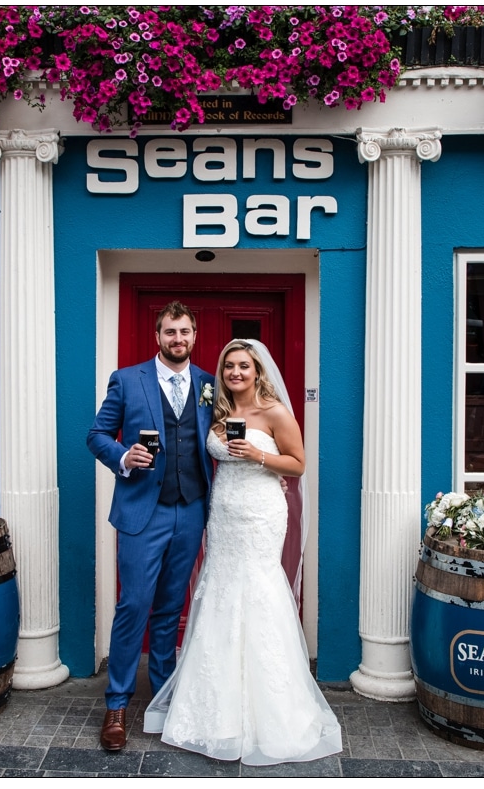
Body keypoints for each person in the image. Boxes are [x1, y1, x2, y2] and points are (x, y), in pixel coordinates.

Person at [143, 339, 343, 766]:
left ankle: (270, 713)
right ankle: (213, 713)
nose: (235, 372)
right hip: (224, 514)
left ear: (257, 371)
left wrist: (257, 454)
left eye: (243, 366)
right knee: (220, 595)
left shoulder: (273, 412)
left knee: (258, 594)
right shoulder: (214, 411)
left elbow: (299, 463)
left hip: (260, 515)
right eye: (229, 366)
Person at [86, 301, 215, 752]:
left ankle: (164, 697)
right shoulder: (127, 380)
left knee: (168, 609)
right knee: (133, 606)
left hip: (191, 510)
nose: (177, 339)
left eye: (184, 332)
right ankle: (117, 702)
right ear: (157, 337)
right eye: (169, 332)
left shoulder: (208, 384)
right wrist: (123, 456)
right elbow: (97, 435)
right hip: (144, 510)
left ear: (194, 336)